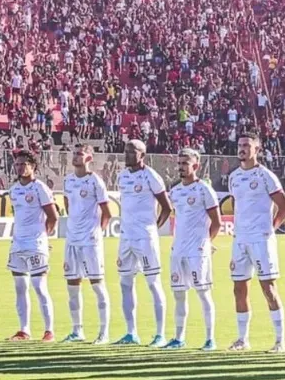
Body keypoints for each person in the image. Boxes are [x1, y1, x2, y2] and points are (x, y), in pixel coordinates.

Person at [227, 133, 285, 352]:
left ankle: (280, 341)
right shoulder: (234, 177)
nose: (242, 149)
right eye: (240, 145)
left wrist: (270, 229)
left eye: (247, 145)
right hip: (240, 240)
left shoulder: (266, 176)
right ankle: (242, 339)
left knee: (268, 289)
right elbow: (238, 205)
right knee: (239, 289)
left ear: (257, 149)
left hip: (261, 240)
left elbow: (284, 208)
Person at [114, 139, 173, 346]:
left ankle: (160, 334)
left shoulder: (151, 176)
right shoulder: (121, 177)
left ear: (142, 155)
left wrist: (152, 228)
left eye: (131, 152)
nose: (127, 155)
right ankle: (131, 333)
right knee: (125, 284)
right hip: (126, 237)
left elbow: (166, 207)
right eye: (125, 151)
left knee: (153, 283)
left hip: (145, 238)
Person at [164, 148, 222, 351]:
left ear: (195, 166)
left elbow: (217, 222)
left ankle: (210, 339)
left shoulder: (204, 189)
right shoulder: (176, 191)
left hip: (197, 251)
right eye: (179, 163)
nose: (180, 167)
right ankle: (179, 338)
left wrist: (206, 242)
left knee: (203, 293)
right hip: (178, 250)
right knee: (179, 294)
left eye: (184, 163)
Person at [61, 145, 113, 345]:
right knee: (72, 287)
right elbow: (68, 205)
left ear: (89, 157)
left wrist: (96, 232)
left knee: (97, 285)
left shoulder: (95, 181)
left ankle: (104, 333)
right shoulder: (68, 180)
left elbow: (106, 212)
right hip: (72, 239)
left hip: (90, 241)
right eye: (74, 154)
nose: (75, 157)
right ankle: (77, 331)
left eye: (80, 154)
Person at [6, 150, 58, 342]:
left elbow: (53, 217)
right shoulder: (14, 190)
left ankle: (49, 330)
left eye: (23, 164)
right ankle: (24, 330)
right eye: (17, 164)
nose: (20, 167)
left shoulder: (40, 188)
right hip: (18, 244)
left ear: (32, 166)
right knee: (20, 286)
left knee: (39, 286)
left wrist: (44, 238)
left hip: (36, 244)